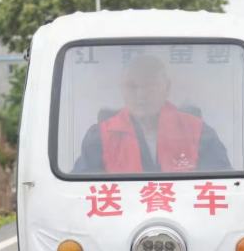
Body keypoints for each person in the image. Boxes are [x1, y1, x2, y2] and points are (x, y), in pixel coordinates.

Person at [72, 54, 231, 174]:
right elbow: (80, 194)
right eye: (132, 86)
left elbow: (223, 185)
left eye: (150, 86)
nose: (141, 95)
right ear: (122, 89)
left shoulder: (198, 132)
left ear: (167, 87)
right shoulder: (100, 137)